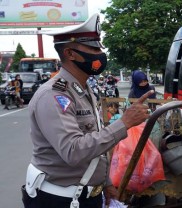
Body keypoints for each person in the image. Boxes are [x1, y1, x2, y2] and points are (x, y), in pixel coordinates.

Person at [22, 13, 154, 208]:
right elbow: (74, 151)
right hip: (59, 200)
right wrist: (124, 123)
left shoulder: (84, 89)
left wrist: (105, 183)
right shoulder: (53, 95)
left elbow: (94, 142)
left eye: (99, 48)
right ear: (70, 53)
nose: (99, 54)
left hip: (86, 194)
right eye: (92, 48)